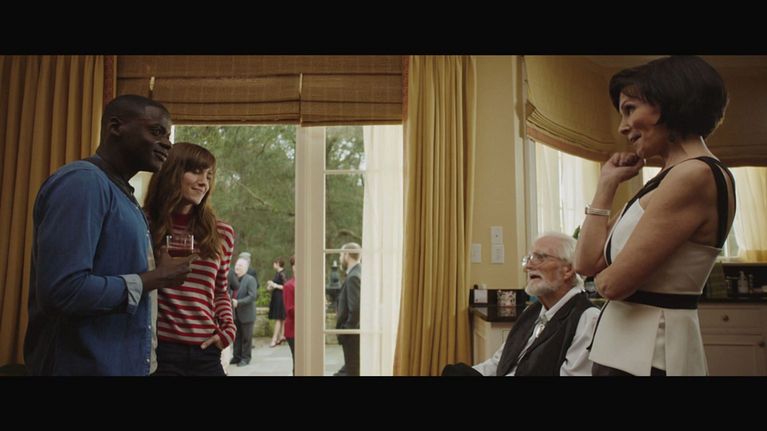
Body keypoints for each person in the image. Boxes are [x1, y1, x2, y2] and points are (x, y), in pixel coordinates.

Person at [574, 56, 735, 376]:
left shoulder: (694, 175)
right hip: (625, 353)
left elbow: (612, 285)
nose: (622, 127)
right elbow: (586, 263)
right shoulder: (667, 179)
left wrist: (606, 278)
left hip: (650, 357)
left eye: (630, 109)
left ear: (669, 102)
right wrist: (606, 184)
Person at [24, 94, 195, 375]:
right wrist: (156, 278)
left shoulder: (124, 195)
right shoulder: (83, 182)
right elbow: (64, 291)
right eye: (156, 131)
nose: (167, 144)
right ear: (116, 127)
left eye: (168, 136)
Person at [443, 232, 599, 376]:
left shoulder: (587, 318)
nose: (528, 266)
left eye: (540, 257)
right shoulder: (531, 312)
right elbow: (499, 363)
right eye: (529, 259)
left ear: (568, 270)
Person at [143, 142, 236, 376]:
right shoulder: (143, 224)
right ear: (172, 172)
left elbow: (220, 291)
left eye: (209, 175)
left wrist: (228, 330)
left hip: (206, 351)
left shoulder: (222, 233)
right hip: (160, 352)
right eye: (195, 171)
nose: (204, 182)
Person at [334, 242, 361, 376]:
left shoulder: (353, 277)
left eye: (340, 255)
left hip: (352, 336)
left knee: (352, 370)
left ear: (347, 255)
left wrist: (346, 330)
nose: (340, 258)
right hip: (354, 334)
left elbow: (355, 308)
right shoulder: (358, 272)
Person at [230, 256, 258, 367]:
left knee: (246, 338)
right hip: (235, 314)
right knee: (236, 337)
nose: (237, 267)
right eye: (237, 265)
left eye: (240, 265)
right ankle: (236, 357)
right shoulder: (233, 279)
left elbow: (252, 296)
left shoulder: (250, 280)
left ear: (246, 268)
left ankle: (246, 358)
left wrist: (238, 302)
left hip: (247, 314)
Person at [280, 256, 297, 375]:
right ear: (293, 267)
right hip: (293, 330)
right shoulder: (289, 285)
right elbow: (290, 309)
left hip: (303, 329)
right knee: (298, 362)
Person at [266, 258, 287, 348]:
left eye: (274, 263)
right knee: (281, 318)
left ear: (278, 264)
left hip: (281, 298)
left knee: (279, 318)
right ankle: (281, 337)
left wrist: (274, 285)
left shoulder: (282, 273)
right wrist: (271, 286)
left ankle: (274, 339)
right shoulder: (278, 273)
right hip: (277, 297)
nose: (273, 265)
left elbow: (286, 286)